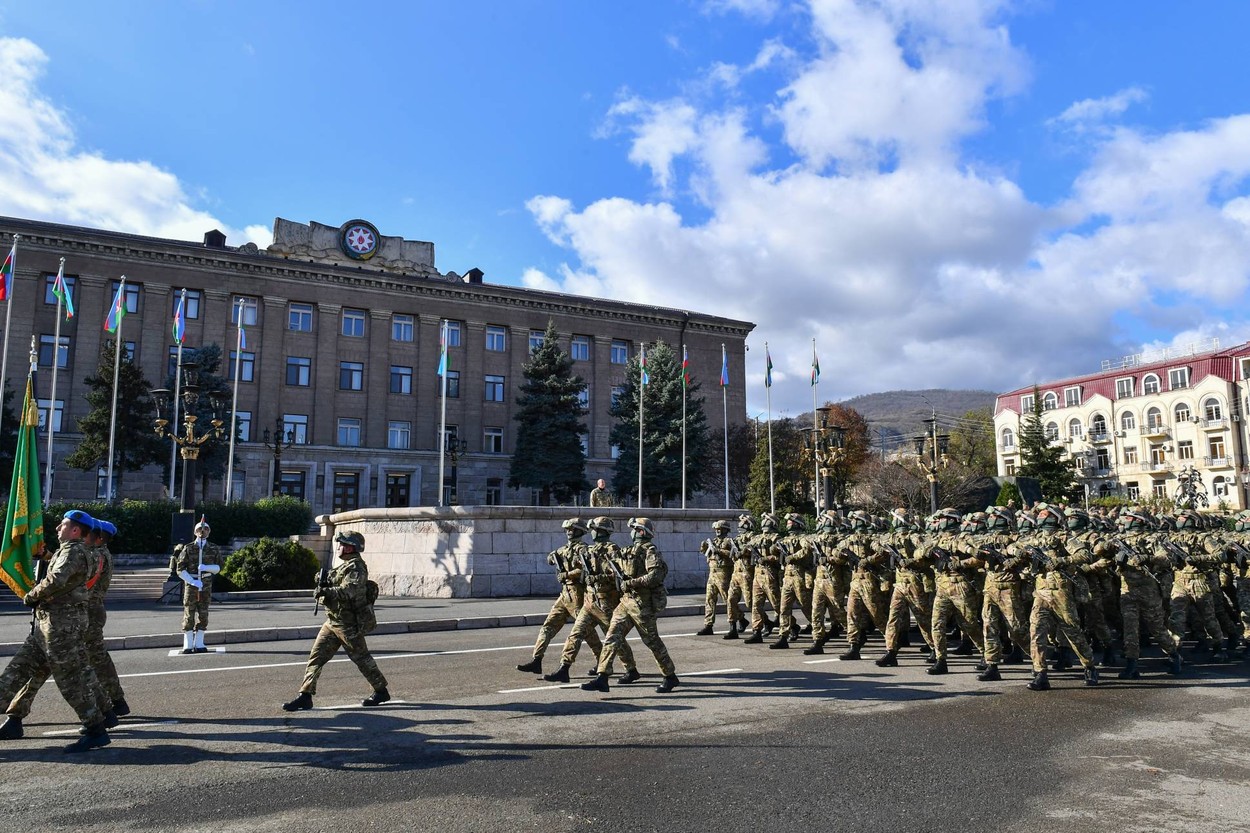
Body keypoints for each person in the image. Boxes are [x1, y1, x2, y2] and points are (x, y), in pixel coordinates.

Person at [0, 510, 112, 752]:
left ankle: (96, 729)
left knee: (70, 679)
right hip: (48, 623)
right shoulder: (72, 551)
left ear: (75, 530)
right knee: (17, 669)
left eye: (62, 525)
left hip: (62, 626)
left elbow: (58, 579)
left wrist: (32, 595)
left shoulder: (74, 551)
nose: (57, 528)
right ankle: (13, 717)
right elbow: (60, 571)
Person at [283, 530, 388, 711]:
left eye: (341, 544)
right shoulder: (345, 566)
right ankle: (305, 695)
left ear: (349, 547)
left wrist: (326, 591)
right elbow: (335, 579)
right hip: (333, 621)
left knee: (362, 658)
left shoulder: (356, 567)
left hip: (348, 624)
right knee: (316, 658)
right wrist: (322, 580)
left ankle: (381, 691)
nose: (338, 547)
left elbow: (350, 591)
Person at [582, 518, 679, 694]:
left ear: (641, 532)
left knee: (652, 641)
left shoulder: (650, 551)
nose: (631, 532)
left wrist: (632, 583)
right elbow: (612, 569)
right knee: (612, 637)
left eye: (634, 529)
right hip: (625, 602)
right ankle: (602, 677)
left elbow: (655, 575)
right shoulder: (629, 550)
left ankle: (670, 676)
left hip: (642, 604)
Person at [550, 516, 637, 682]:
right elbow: (580, 568)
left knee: (614, 638)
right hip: (589, 601)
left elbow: (617, 574)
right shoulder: (590, 550)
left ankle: (631, 668)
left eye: (595, 530)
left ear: (602, 531)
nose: (592, 533)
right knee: (575, 634)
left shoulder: (612, 550)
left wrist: (598, 577)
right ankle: (564, 668)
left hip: (606, 602)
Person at [516, 518, 603, 680]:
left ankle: (602, 661)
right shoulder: (564, 549)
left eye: (572, 529)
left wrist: (567, 574)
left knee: (586, 631)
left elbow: (585, 569)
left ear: (580, 531)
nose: (569, 532)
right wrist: (553, 557)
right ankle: (537, 660)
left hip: (577, 594)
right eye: (567, 529)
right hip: (565, 595)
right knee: (548, 626)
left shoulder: (584, 550)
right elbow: (551, 559)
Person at [175, 516, 223, 654]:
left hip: (206, 584)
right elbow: (180, 568)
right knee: (189, 613)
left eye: (205, 529)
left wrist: (207, 567)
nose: (203, 531)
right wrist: (192, 581)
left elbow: (220, 567)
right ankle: (188, 644)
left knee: (203, 613)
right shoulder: (189, 548)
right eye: (200, 529)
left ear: (209, 532)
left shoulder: (213, 548)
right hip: (192, 584)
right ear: (195, 532)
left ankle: (200, 643)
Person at [695, 520, 738, 637]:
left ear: (725, 530)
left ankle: (733, 625)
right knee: (709, 599)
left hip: (724, 573)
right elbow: (707, 554)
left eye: (720, 529)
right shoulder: (713, 541)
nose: (718, 531)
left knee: (728, 600)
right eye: (716, 529)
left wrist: (719, 550)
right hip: (712, 574)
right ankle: (708, 625)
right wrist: (704, 547)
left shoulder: (729, 541)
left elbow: (733, 554)